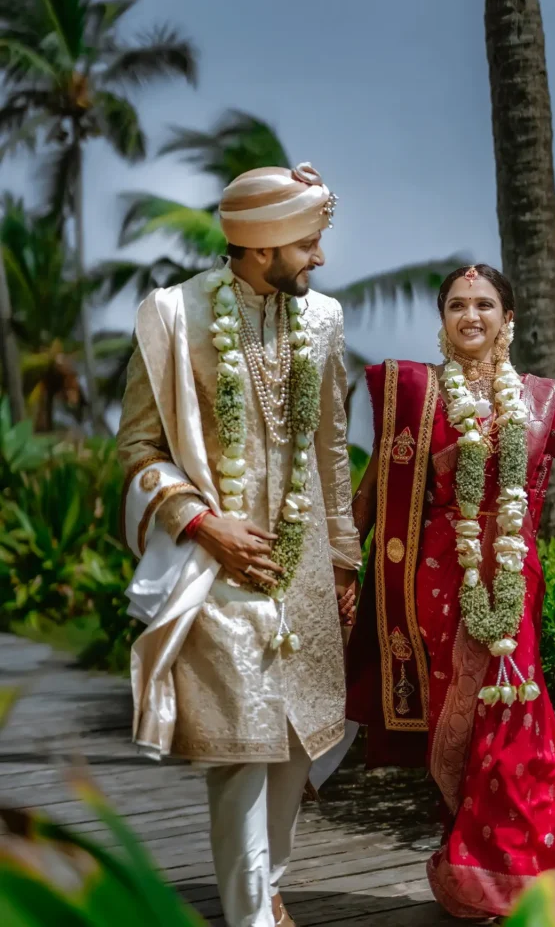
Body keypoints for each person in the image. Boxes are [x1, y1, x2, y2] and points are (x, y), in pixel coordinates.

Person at [346, 263, 555, 920]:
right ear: (441, 319)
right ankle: (479, 871)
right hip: (437, 584)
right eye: (457, 304)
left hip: (511, 580)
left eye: (484, 304)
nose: (471, 315)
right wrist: (338, 564)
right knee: (458, 727)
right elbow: (376, 489)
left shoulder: (535, 400)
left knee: (515, 720)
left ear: (509, 318)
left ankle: (510, 874)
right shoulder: (418, 396)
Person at [116, 163, 362, 927]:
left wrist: (345, 561)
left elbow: (330, 451)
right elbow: (137, 448)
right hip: (216, 566)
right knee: (241, 751)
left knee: (295, 745)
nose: (319, 258)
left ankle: (271, 880)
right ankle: (250, 914)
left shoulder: (322, 319)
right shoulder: (172, 316)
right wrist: (203, 523)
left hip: (308, 567)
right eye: (308, 244)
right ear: (262, 249)